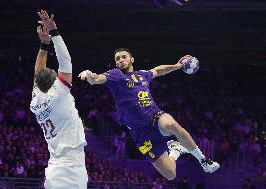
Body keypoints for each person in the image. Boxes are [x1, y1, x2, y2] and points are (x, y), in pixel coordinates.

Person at [79, 48, 220, 180]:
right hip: (140, 133)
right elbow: (96, 79)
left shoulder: (142, 75)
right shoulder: (116, 75)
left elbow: (158, 70)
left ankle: (203, 160)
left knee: (171, 124)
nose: (120, 60)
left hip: (154, 116)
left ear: (131, 59)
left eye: (124, 57)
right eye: (117, 58)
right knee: (170, 174)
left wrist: (177, 66)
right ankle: (176, 150)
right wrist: (89, 74)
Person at [30, 10, 87, 188]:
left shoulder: (36, 101)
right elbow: (66, 61)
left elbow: (38, 73)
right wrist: (54, 32)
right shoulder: (59, 93)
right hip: (71, 168)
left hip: (54, 168)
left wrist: (44, 46)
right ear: (55, 81)